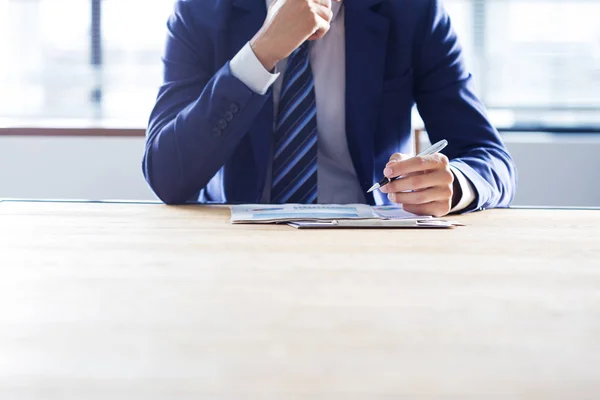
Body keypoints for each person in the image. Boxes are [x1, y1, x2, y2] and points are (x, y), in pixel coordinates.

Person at [142, 0, 517, 217]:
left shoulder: (412, 11)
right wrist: (262, 51)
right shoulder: (202, 11)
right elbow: (166, 174)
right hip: (235, 241)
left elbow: (489, 157)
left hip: (369, 246)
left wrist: (454, 188)